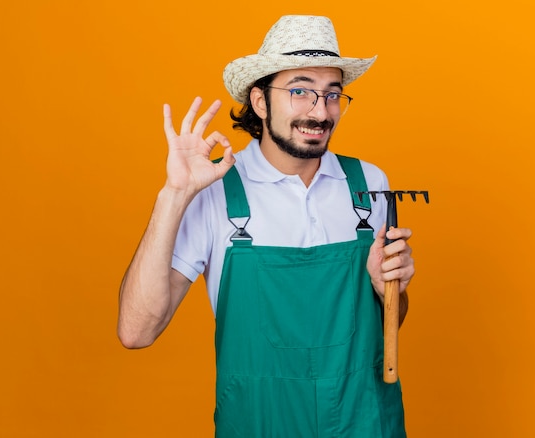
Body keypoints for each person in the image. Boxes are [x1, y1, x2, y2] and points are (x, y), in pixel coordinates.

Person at [118, 15, 415, 437]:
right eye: (300, 91)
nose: (320, 111)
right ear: (260, 101)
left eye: (332, 94)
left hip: (362, 421)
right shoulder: (215, 193)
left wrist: (392, 292)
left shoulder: (370, 186)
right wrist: (174, 195)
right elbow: (136, 330)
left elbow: (389, 322)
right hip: (259, 424)